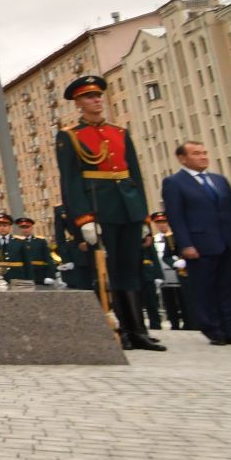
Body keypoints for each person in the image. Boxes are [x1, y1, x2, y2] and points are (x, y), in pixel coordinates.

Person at [54, 74, 162, 350]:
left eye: (98, 95)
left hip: (128, 208)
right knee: (106, 273)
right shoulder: (69, 136)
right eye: (90, 97)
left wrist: (144, 216)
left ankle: (137, 329)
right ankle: (114, 330)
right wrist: (84, 219)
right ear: (78, 103)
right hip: (99, 209)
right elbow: (70, 181)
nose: (97, 100)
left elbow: (135, 176)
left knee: (131, 269)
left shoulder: (119, 133)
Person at [160, 141, 231, 346]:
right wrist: (185, 244)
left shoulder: (219, 180)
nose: (203, 157)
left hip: (227, 242)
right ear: (183, 158)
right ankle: (214, 329)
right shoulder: (174, 182)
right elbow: (176, 216)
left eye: (204, 152)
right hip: (199, 244)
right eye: (196, 153)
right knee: (205, 289)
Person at [14, 216, 60, 287]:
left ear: (32, 227)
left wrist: (50, 275)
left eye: (27, 227)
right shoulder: (15, 242)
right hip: (23, 276)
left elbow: (48, 259)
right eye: (22, 227)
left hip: (40, 274)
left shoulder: (40, 241)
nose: (25, 230)